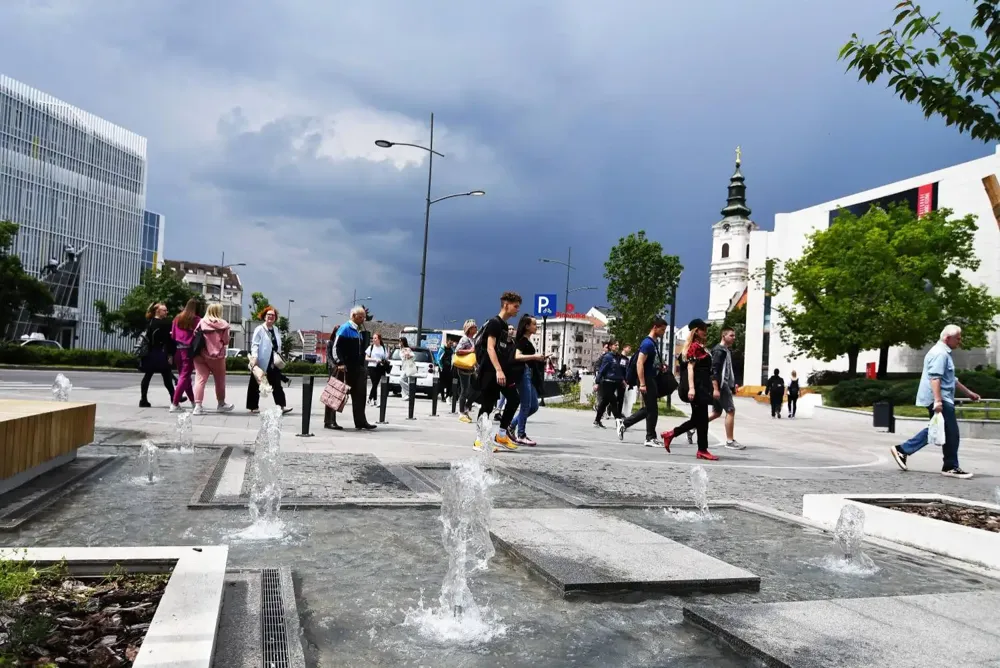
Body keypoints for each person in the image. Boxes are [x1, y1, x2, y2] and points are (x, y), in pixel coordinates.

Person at [890, 324, 979, 479]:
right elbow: (935, 378)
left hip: (942, 398)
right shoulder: (940, 354)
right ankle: (950, 466)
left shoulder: (943, 353)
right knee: (951, 433)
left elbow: (951, 379)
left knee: (939, 429)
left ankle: (903, 450)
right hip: (940, 399)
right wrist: (938, 401)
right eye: (958, 339)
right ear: (947, 338)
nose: (960, 341)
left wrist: (969, 393)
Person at [660, 319, 718, 460]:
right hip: (697, 387)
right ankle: (702, 450)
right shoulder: (694, 347)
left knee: (698, 419)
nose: (706, 331)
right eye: (704, 328)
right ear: (696, 331)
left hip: (702, 386)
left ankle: (671, 434)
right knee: (701, 419)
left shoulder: (700, 346)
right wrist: (692, 389)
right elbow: (691, 368)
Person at [474, 291, 522, 451]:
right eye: (515, 306)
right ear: (506, 305)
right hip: (490, 370)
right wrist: (498, 370)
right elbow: (490, 347)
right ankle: (479, 440)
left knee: (514, 399)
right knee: (487, 405)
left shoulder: (503, 325)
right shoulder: (495, 323)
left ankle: (501, 434)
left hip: (500, 371)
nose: (517, 310)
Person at [617, 317, 668, 447]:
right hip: (647, 380)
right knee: (652, 410)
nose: (663, 332)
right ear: (655, 328)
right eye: (662, 330)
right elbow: (640, 363)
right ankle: (650, 438)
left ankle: (625, 423)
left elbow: (648, 363)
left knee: (650, 409)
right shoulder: (647, 344)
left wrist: (659, 366)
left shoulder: (652, 343)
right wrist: (643, 383)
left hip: (650, 379)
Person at [332, 306, 377, 430]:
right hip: (344, 367)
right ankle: (330, 421)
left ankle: (361, 421)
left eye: (364, 317)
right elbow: (336, 347)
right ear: (353, 316)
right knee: (336, 394)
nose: (363, 319)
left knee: (360, 395)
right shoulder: (345, 328)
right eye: (360, 317)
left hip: (357, 368)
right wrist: (339, 362)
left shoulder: (358, 331)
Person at [509, 314, 548, 446]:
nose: (536, 326)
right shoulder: (522, 341)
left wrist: (539, 358)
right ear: (526, 326)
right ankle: (521, 435)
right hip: (523, 373)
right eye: (533, 324)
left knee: (534, 406)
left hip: (528, 374)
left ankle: (511, 425)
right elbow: (517, 356)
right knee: (526, 405)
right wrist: (535, 356)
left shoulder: (527, 341)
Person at [246, 306, 290, 414]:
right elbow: (255, 344)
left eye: (273, 315)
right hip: (261, 359)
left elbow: (277, 344)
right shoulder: (259, 329)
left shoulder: (275, 329)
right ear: (264, 317)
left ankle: (281, 406)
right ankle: (253, 406)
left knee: (276, 384)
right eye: (268, 315)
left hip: (273, 360)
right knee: (255, 383)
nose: (271, 317)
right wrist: (255, 357)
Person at [192, 303, 235, 415]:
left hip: (200, 355)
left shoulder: (201, 322)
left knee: (200, 380)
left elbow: (195, 335)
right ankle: (221, 404)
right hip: (217, 356)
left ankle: (198, 406)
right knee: (219, 380)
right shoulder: (224, 325)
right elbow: (226, 341)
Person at [138, 302, 176, 407]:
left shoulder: (150, 322)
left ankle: (143, 399)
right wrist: (171, 354)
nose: (166, 312)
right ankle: (174, 398)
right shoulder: (166, 324)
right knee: (167, 376)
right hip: (160, 352)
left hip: (150, 352)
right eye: (164, 310)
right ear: (158, 311)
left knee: (148, 376)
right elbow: (170, 340)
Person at [169, 298, 201, 413]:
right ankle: (174, 403)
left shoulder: (177, 318)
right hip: (188, 351)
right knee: (184, 377)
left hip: (178, 350)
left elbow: (172, 336)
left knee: (185, 379)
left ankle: (193, 402)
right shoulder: (197, 320)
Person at [594, 340, 625, 430]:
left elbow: (619, 371)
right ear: (610, 347)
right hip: (607, 382)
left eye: (618, 345)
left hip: (615, 382)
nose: (617, 346)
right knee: (614, 400)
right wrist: (597, 382)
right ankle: (619, 421)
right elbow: (602, 370)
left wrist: (622, 380)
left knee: (604, 402)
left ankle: (597, 420)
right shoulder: (607, 357)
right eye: (615, 345)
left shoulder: (618, 357)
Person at [455, 320, 479, 423]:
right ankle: (461, 412)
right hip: (464, 368)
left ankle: (466, 407)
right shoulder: (465, 339)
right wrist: (469, 350)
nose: (476, 328)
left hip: (471, 368)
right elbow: (457, 351)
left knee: (478, 389)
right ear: (469, 329)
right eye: (474, 327)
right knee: (465, 390)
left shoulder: (473, 340)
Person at [365, 333, 389, 407]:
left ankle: (374, 400)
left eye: (375, 338)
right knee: (374, 384)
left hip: (380, 367)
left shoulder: (383, 348)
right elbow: (366, 358)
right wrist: (375, 360)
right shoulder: (371, 347)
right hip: (372, 367)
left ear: (379, 339)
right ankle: (370, 399)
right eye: (373, 338)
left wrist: (382, 361)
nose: (374, 339)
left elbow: (386, 358)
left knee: (375, 384)